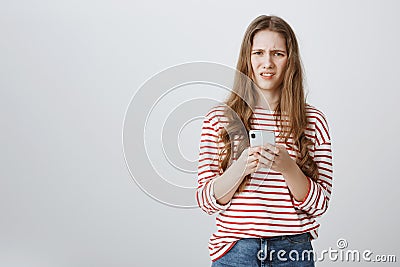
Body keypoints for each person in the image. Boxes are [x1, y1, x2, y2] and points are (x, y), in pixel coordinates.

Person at [196, 15, 333, 267]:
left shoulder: (313, 120)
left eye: (277, 53)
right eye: (258, 52)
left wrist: (288, 167)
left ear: (289, 61)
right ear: (247, 58)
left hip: (293, 251)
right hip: (235, 250)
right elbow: (206, 201)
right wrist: (241, 167)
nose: (267, 62)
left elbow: (320, 204)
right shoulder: (219, 118)